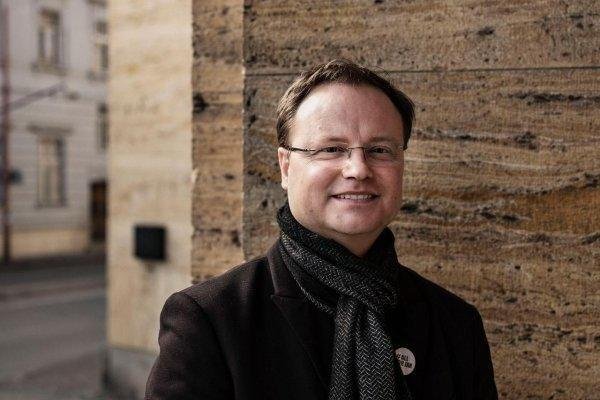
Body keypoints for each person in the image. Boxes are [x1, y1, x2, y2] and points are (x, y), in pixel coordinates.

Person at [145, 59, 498, 400]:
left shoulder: (455, 324)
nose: (358, 169)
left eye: (379, 150)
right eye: (331, 149)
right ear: (285, 167)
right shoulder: (210, 321)